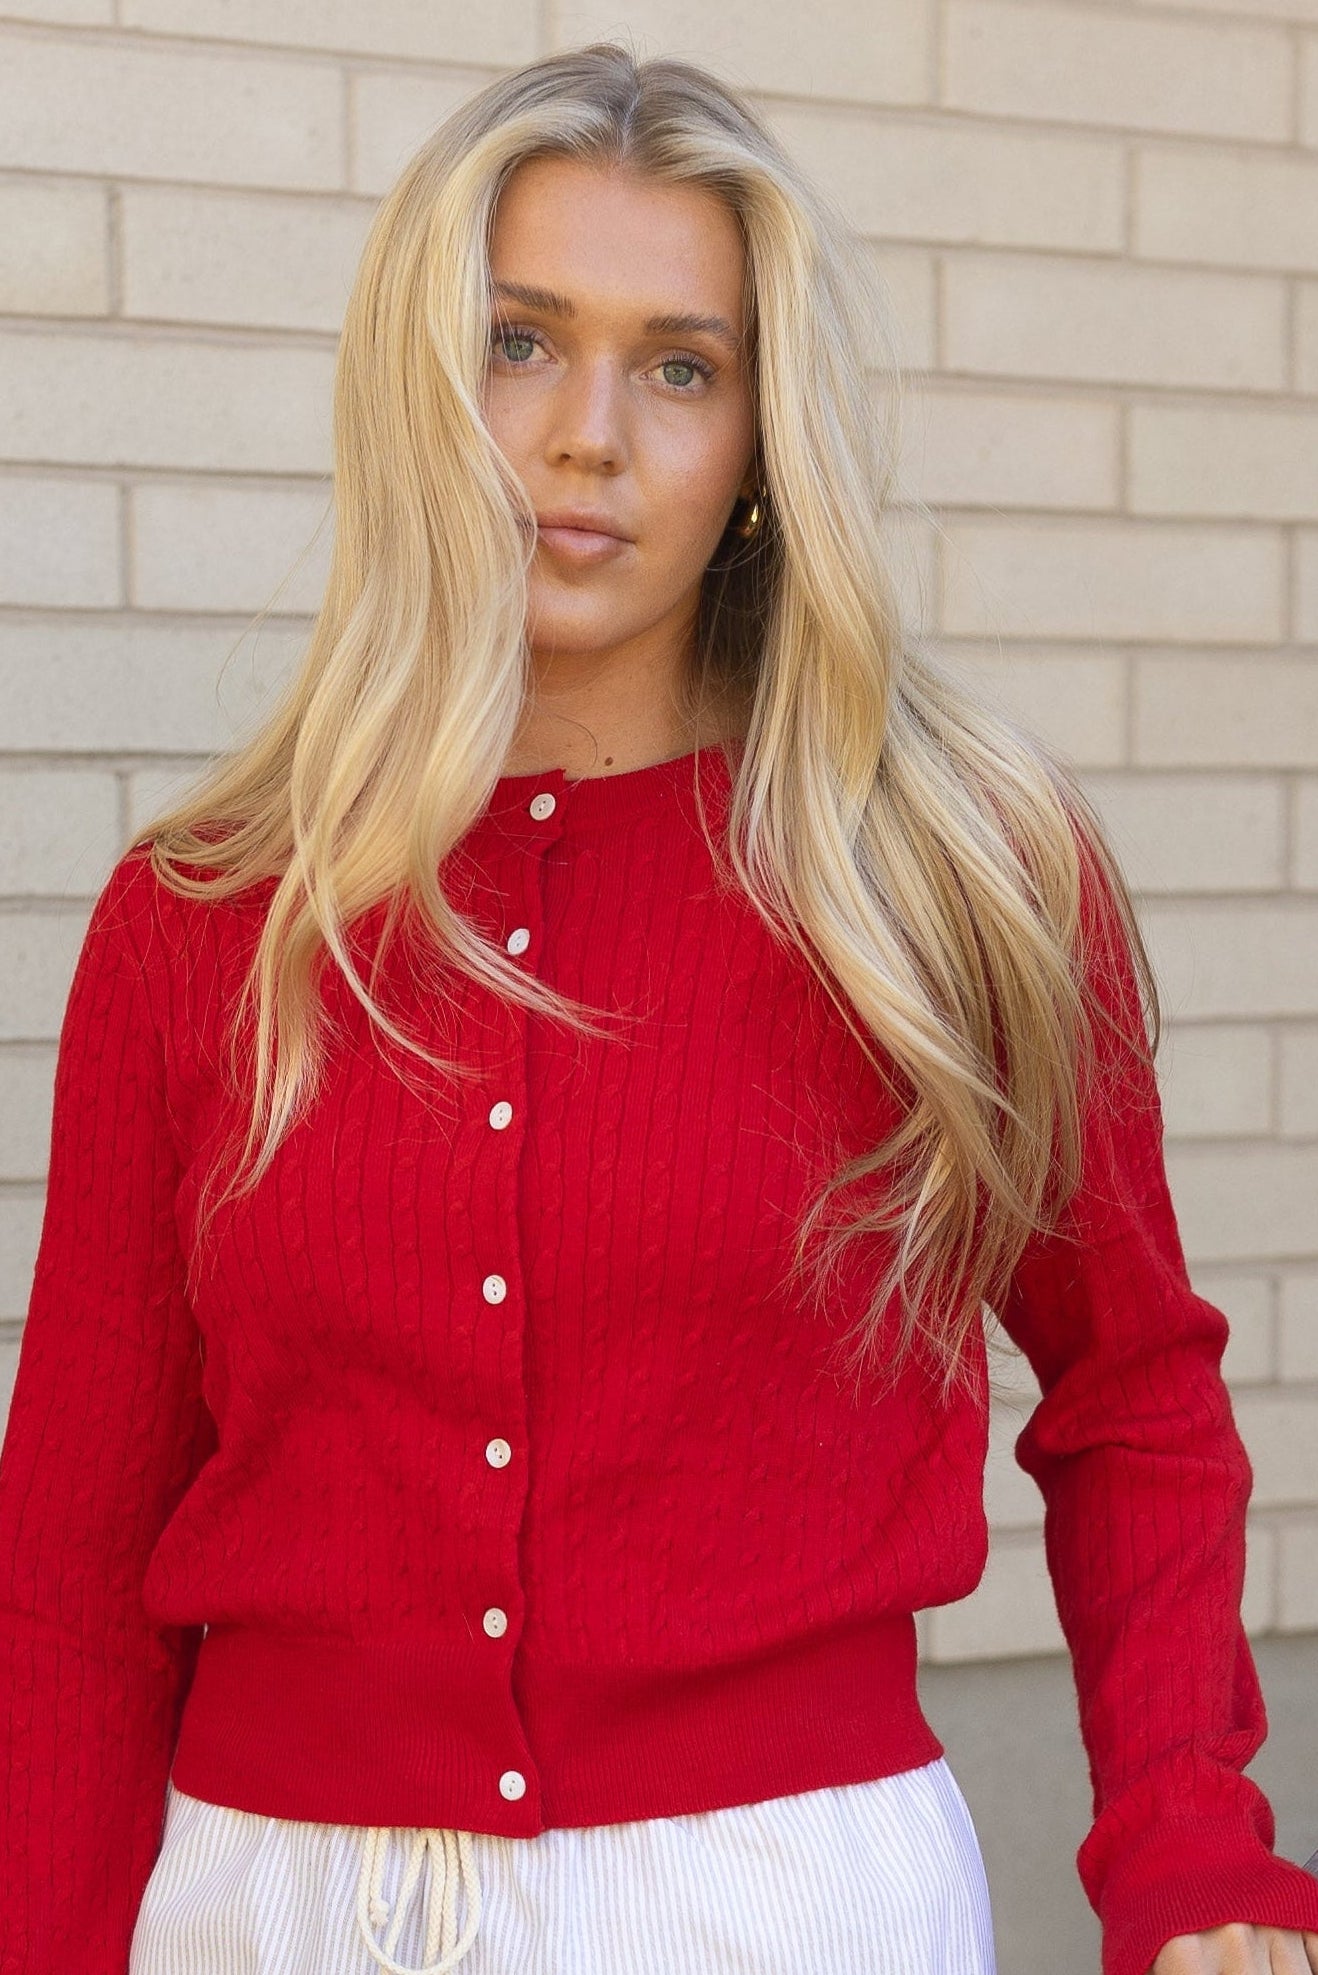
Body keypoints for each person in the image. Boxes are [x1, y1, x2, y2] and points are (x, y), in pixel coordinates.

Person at [2, 38, 1316, 1975]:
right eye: (520, 341)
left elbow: (1128, 1396)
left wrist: (1188, 1844)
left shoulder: (948, 878)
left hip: (779, 1906)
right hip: (260, 1906)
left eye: (677, 365)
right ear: (418, 382)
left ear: (762, 437)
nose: (584, 433)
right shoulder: (204, 920)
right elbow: (73, 1576)